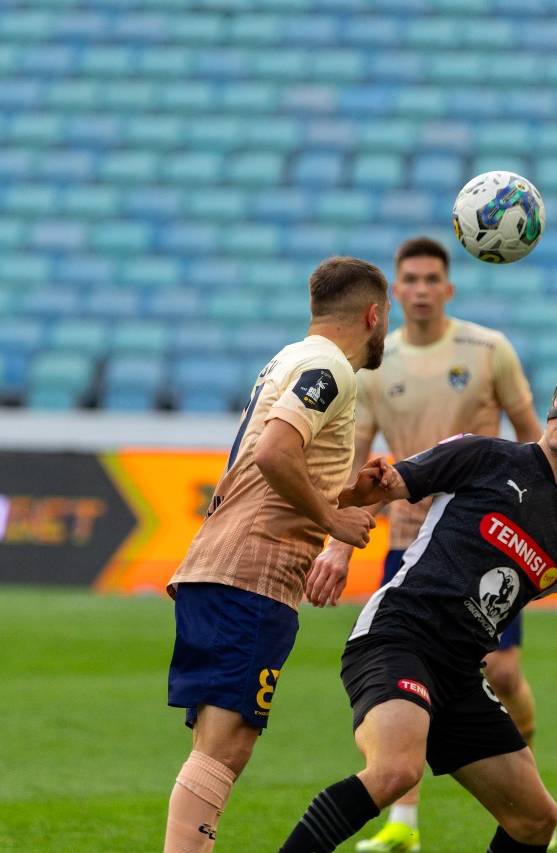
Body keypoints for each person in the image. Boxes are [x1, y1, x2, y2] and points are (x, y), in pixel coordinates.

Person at [277, 363, 557, 853]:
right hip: (399, 637)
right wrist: (339, 546)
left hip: (460, 673)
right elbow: (383, 486)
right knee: (396, 770)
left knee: (536, 820)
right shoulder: (483, 454)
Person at [307, 236, 543, 853]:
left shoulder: (489, 350)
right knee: (412, 680)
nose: (419, 289)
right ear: (394, 292)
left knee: (503, 671)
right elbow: (358, 461)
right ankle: (403, 826)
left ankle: (521, 768)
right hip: (410, 542)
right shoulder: (377, 362)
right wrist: (337, 545)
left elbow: (534, 440)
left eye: (430, 278)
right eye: (408, 279)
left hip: (485, 548)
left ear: (448, 287)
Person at [163, 256, 392, 853]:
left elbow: (276, 465)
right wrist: (333, 519)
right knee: (225, 747)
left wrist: (346, 494)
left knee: (218, 744)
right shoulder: (331, 368)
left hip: (224, 564)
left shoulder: (290, 358)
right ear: (372, 315)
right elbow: (272, 454)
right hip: (252, 570)